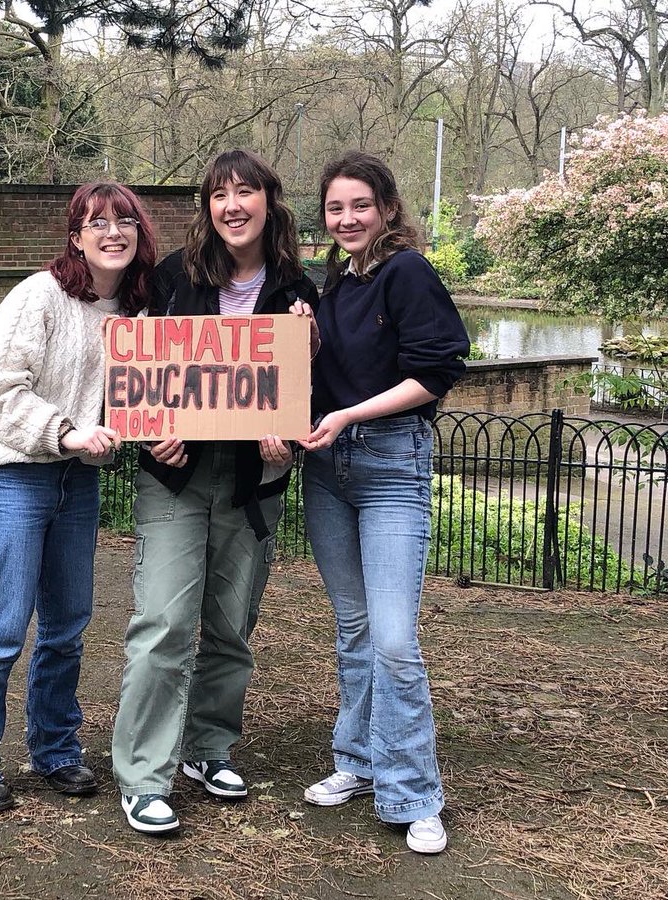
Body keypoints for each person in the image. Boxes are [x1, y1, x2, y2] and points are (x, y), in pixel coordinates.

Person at [112, 149, 319, 835]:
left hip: (252, 482)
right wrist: (150, 432)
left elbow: (304, 389)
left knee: (231, 625)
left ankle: (207, 747)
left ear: (269, 201)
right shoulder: (174, 276)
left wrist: (286, 431)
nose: (232, 205)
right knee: (164, 624)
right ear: (207, 207)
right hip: (175, 478)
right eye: (219, 193)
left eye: (246, 192)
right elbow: (139, 367)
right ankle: (144, 775)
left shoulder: (297, 290)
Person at [0, 183, 157, 813]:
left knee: (67, 626)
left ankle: (55, 749)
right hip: (14, 476)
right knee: (4, 624)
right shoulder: (39, 296)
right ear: (75, 236)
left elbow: (143, 395)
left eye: (125, 223)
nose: (113, 233)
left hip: (77, 481)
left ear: (139, 235)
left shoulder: (136, 314)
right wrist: (65, 432)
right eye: (98, 223)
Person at [292, 151, 470, 854]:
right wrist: (306, 341)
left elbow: (435, 370)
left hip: (390, 462)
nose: (347, 219)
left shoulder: (407, 272)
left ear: (389, 208)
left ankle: (415, 792)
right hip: (330, 469)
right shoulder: (337, 282)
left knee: (395, 638)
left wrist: (348, 417)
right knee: (356, 629)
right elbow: (331, 375)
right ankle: (359, 763)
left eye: (359, 206)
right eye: (335, 209)